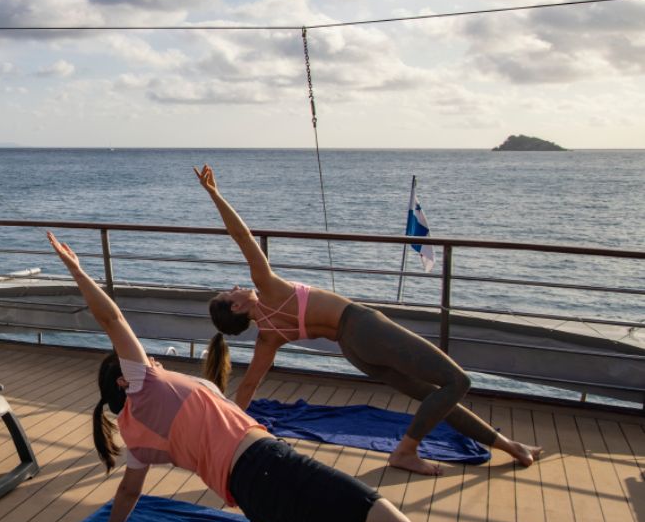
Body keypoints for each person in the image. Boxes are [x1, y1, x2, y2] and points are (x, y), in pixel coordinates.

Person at [47, 232, 526, 522]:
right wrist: (77, 269)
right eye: (143, 362)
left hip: (258, 500)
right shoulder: (145, 385)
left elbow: (130, 490)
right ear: (125, 381)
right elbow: (111, 320)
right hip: (269, 468)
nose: (153, 361)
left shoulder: (135, 432)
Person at [195, 165, 541, 476]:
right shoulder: (267, 288)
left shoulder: (267, 338)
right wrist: (215, 194)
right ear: (238, 308)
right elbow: (241, 236)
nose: (236, 286)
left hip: (354, 351)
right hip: (361, 327)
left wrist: (221, 433)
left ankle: (511, 447)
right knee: (457, 381)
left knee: (436, 396)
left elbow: (248, 390)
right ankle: (406, 451)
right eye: (231, 292)